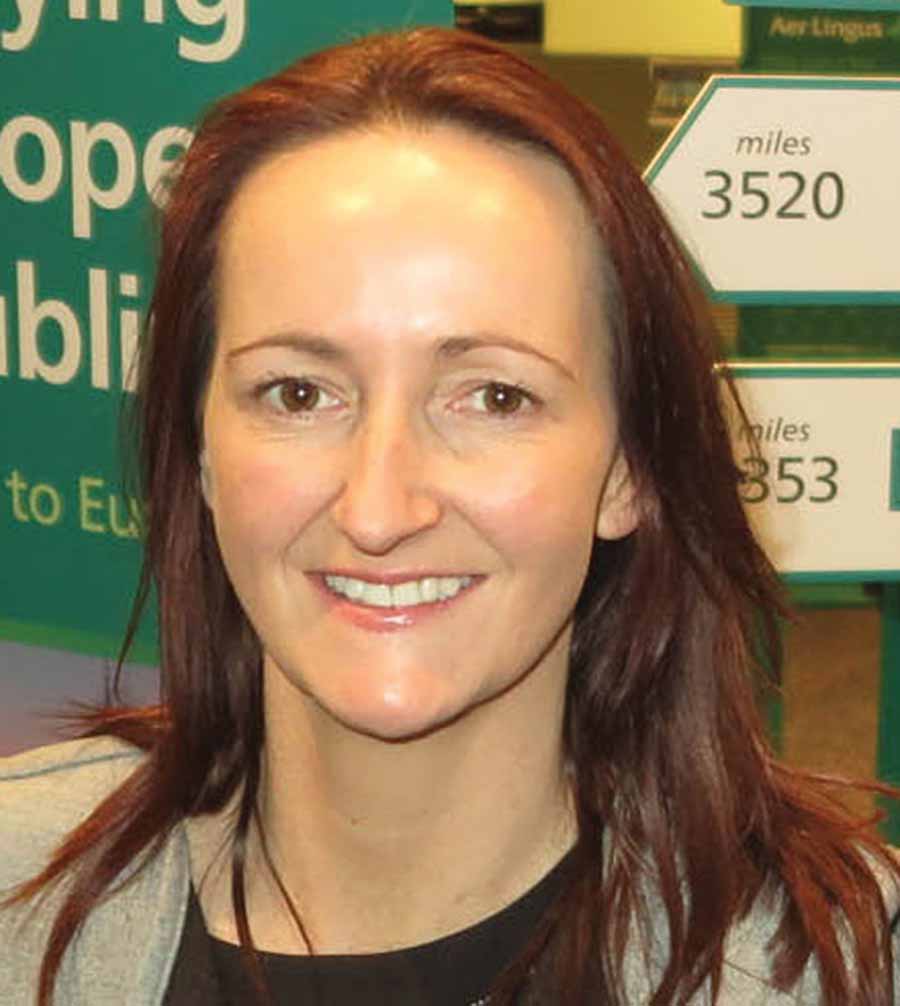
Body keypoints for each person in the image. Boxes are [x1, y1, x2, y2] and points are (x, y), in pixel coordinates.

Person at [1, 25, 897, 1006]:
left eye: (495, 397)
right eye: (299, 394)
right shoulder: (19, 893)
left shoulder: (843, 971)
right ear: (201, 450)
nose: (380, 509)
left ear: (629, 468)